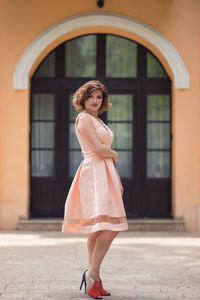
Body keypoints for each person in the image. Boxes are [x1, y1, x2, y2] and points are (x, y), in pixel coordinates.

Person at [62, 80, 128, 299]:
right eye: (91, 96)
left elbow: (103, 150)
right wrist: (115, 154)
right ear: (83, 98)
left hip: (105, 172)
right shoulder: (83, 118)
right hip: (94, 174)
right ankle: (92, 275)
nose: (95, 100)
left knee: (100, 228)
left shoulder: (97, 119)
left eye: (99, 97)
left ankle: (95, 279)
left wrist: (115, 174)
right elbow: (98, 149)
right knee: (111, 226)